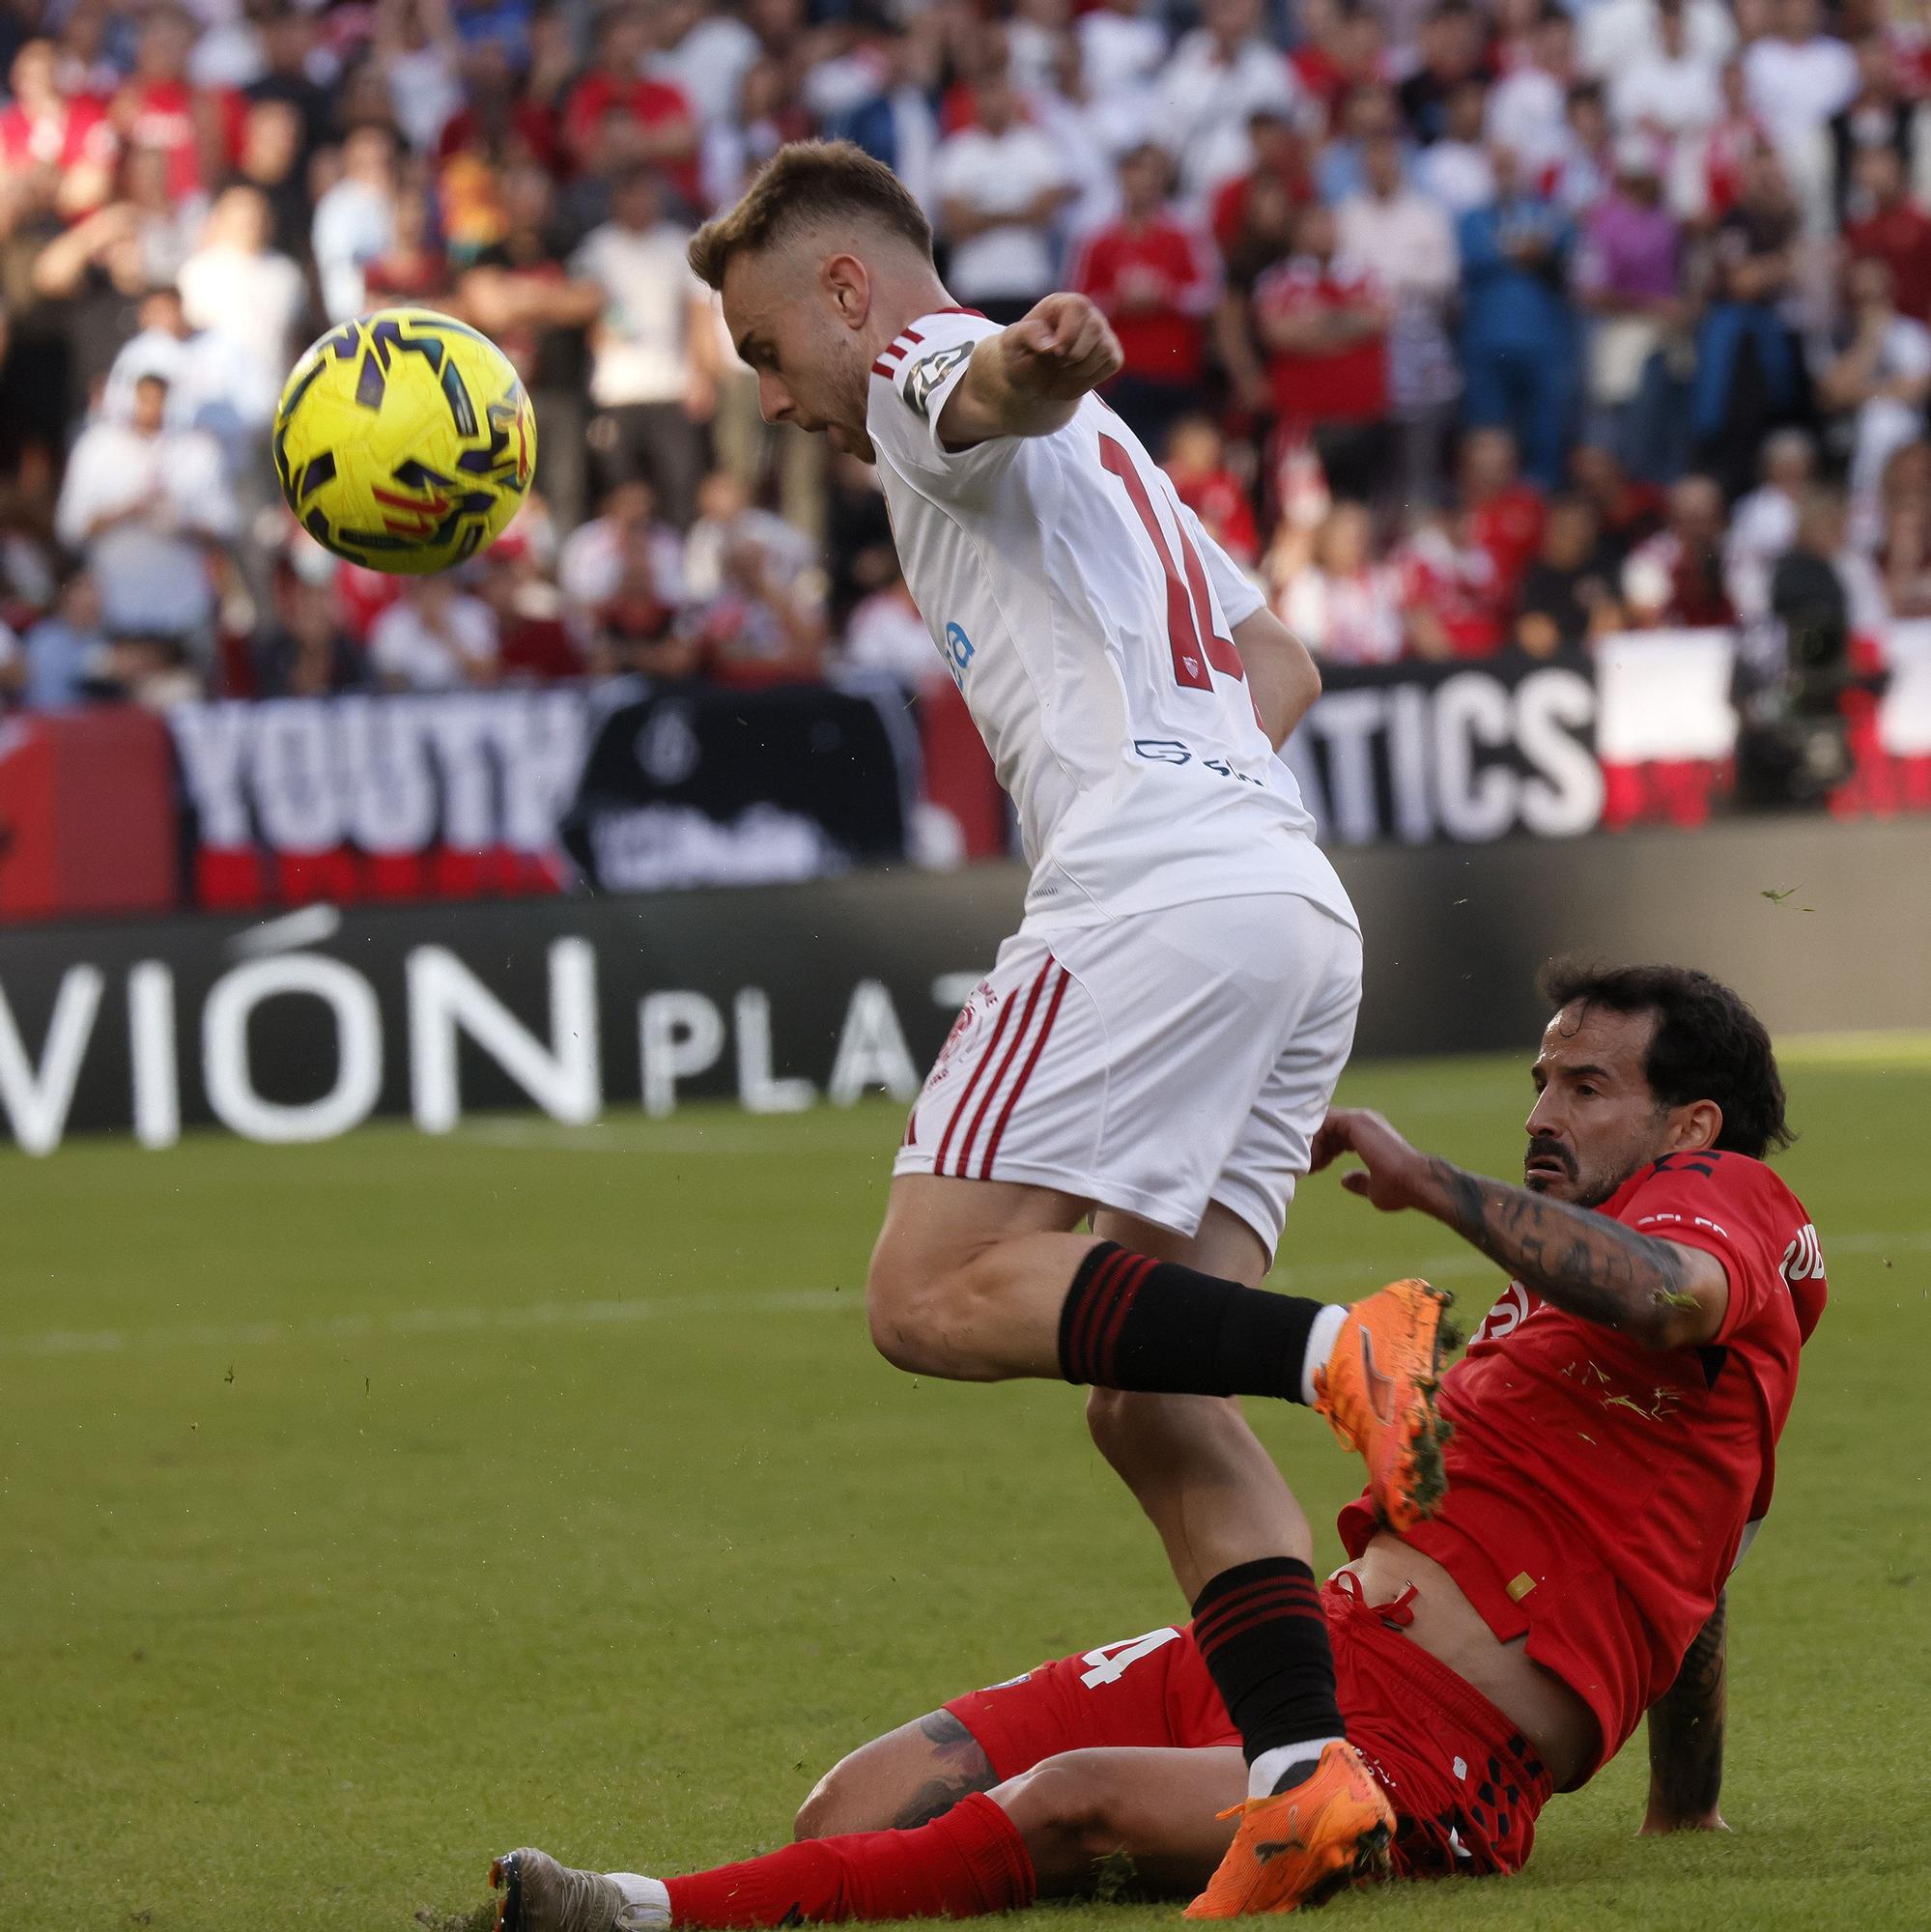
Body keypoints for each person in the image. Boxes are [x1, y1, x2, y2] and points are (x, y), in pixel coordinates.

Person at [655, 139, 1450, 1918]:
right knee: (1146, 1398)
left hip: (1150, 898)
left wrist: (1042, 353)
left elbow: (982, 376)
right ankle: (1305, 1777)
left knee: (926, 1296)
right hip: (1289, 904)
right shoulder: (1130, 472)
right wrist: (1203, 780)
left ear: (847, 293)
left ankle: (1342, 1347)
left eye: (768, 351)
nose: (775, 401)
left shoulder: (926, 380)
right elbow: (1288, 669)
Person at [492, 962, 1825, 1930]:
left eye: (1587, 1086)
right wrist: (1683, 1807)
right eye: (1540, 1077)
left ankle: (643, 1913)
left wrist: (1431, 1185)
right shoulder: (1606, 1334)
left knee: (1072, 1800)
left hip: (1432, 1752)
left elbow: (1669, 1292)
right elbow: (1699, 1572)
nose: (1542, 1111)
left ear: (1691, 1127)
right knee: (861, 1805)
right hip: (1298, 1652)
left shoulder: (1728, 1206)